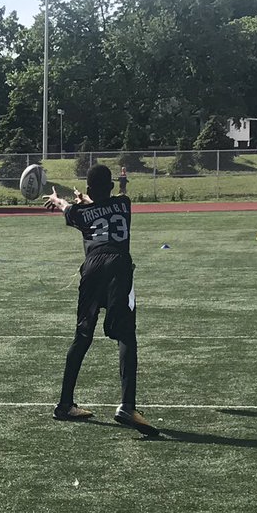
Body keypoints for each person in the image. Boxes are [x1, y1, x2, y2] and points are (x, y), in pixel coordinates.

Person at [43, 164, 158, 435]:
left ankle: (64, 404)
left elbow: (67, 209)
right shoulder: (124, 204)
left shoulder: (80, 211)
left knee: (82, 336)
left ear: (89, 188)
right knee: (126, 336)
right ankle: (127, 405)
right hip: (118, 264)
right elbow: (105, 206)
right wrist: (89, 199)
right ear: (109, 187)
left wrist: (59, 199)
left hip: (92, 267)